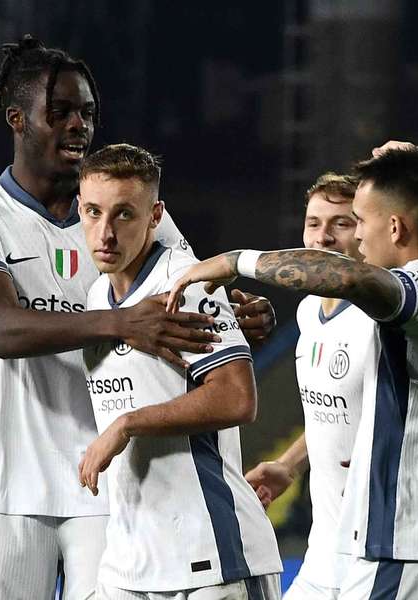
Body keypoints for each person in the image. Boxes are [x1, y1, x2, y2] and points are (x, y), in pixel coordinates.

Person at [0, 36, 275, 600]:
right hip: (5, 478)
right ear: (17, 118)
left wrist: (233, 315)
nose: (78, 125)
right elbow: (4, 329)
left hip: (108, 480)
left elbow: (183, 298)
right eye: (60, 111)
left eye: (87, 113)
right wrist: (121, 323)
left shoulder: (136, 215)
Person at [167, 144, 418, 600]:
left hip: (411, 549)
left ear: (395, 227)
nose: (361, 241)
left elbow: (349, 278)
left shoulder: (417, 295)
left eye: (361, 223)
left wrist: (235, 261)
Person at [76, 143, 282, 599]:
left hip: (209, 560)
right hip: (128, 562)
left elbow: (236, 397)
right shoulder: (94, 297)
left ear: (155, 216)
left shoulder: (187, 283)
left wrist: (127, 425)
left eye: (124, 215)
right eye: (93, 212)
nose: (104, 233)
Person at [244, 173, 370, 600]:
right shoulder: (308, 312)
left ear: (366, 231)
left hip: (375, 554)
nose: (323, 237)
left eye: (341, 223)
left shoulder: (383, 320)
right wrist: (291, 464)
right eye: (314, 223)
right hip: (322, 551)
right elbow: (329, 416)